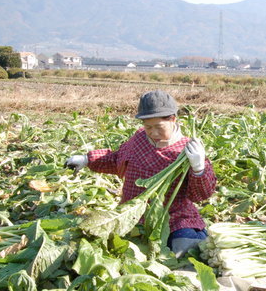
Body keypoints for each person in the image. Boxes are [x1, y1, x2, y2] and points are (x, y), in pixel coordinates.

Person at [65, 90, 217, 256]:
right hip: (134, 216)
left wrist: (199, 168)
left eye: (159, 127)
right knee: (111, 247)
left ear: (173, 119)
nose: (153, 133)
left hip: (174, 218)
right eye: (148, 127)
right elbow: (117, 160)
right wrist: (87, 159)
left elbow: (201, 194)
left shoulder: (187, 150)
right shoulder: (139, 139)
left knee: (185, 250)